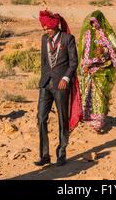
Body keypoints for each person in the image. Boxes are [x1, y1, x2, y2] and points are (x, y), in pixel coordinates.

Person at [35, 10, 81, 167]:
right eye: (44, 28)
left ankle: (61, 153)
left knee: (62, 119)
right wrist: (42, 81)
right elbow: (43, 62)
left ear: (54, 26)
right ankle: (44, 155)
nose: (45, 31)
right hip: (45, 84)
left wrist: (66, 78)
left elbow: (74, 62)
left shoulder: (68, 39)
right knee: (41, 118)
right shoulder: (44, 39)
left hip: (61, 85)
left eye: (47, 28)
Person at [78, 10, 116, 133]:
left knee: (100, 95)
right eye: (91, 22)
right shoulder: (87, 34)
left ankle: (99, 121)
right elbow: (82, 51)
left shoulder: (108, 34)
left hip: (103, 69)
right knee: (88, 94)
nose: (94, 24)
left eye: (95, 21)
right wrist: (84, 65)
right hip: (89, 70)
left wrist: (105, 52)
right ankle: (89, 118)